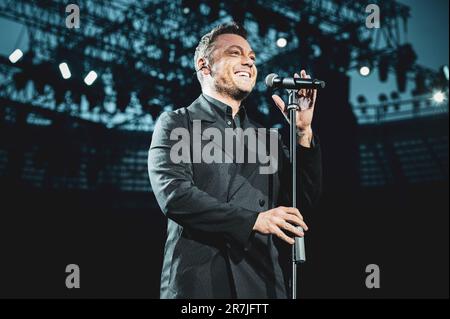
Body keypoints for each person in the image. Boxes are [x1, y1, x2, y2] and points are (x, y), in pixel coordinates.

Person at [148, 22, 322, 299]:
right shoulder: (178, 123)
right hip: (200, 285)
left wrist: (302, 132)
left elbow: (300, 201)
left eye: (252, 57)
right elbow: (175, 196)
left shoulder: (267, 138)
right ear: (205, 66)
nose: (248, 62)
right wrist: (253, 220)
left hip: (263, 284)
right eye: (234, 53)